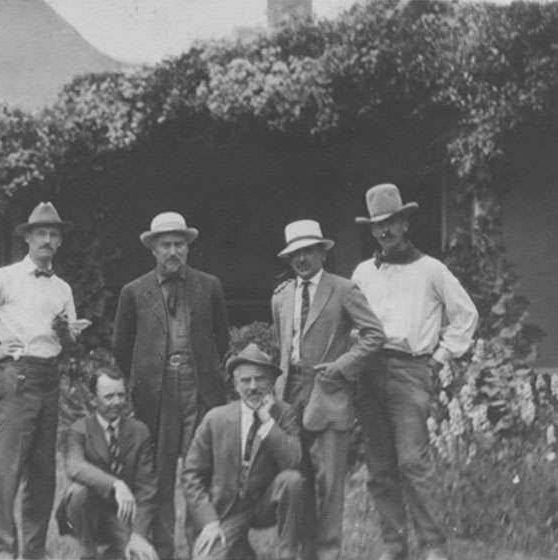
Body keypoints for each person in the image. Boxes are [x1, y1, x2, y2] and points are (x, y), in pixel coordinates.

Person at [352, 184, 478, 560]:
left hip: (411, 371)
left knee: (412, 460)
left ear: (405, 223)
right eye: (377, 226)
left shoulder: (431, 270)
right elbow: (349, 321)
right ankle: (394, 544)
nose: (384, 231)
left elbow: (466, 315)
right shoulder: (362, 273)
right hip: (369, 372)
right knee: (379, 463)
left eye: (391, 223)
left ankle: (433, 545)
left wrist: (440, 358)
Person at [0, 201, 82, 560]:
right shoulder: (3, 278)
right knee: (8, 471)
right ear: (27, 238)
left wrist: (66, 333)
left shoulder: (63, 289)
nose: (48, 240)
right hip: (15, 377)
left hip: (49, 378)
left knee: (42, 474)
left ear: (60, 242)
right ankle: (3, 551)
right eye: (41, 233)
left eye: (54, 234)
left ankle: (34, 552)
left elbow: (68, 343)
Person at [113, 211, 229, 558]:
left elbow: (221, 340)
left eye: (180, 244)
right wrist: (144, 381)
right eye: (166, 245)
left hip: (199, 389)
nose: (173, 251)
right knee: (158, 474)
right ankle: (162, 548)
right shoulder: (134, 292)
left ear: (188, 248)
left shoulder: (209, 286)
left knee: (200, 470)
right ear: (153, 249)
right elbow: (122, 347)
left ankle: (202, 547)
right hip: (156, 393)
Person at [272, 219, 385, 560]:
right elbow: (283, 346)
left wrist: (342, 366)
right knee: (297, 475)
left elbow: (374, 335)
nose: (302, 259)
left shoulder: (343, 289)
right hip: (289, 393)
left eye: (309, 251)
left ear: (323, 252)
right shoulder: (282, 296)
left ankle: (329, 551)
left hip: (328, 391)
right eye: (295, 253)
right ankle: (304, 548)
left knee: (330, 481)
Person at [182, 343, 305, 560]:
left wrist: (268, 421)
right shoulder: (215, 419)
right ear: (236, 385)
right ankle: (241, 550)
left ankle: (288, 553)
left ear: (272, 381)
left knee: (292, 480)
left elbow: (294, 460)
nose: (253, 387)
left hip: (263, 505)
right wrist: (209, 522)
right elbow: (191, 475)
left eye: (260, 379)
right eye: (245, 380)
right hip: (226, 510)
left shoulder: (284, 414)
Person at [56, 367, 159, 560]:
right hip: (84, 511)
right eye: (109, 397)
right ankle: (88, 552)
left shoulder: (139, 431)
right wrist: (115, 484)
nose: (117, 402)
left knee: (140, 555)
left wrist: (138, 535)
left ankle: (115, 546)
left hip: (123, 512)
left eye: (121, 395)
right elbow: (75, 466)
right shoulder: (79, 430)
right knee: (80, 491)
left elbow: (147, 488)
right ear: (93, 399)